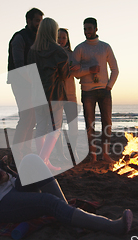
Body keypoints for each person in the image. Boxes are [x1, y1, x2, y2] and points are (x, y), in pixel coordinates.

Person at [0, 115, 133, 234]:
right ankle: (110, 226)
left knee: (31, 160)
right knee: (47, 201)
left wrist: (5, 174)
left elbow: (3, 175)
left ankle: (71, 217)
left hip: (10, 188)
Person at [74, 17, 119, 163]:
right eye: (85, 29)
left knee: (107, 122)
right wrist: (89, 70)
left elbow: (115, 69)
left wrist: (109, 86)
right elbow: (75, 73)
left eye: (89, 28)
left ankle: (105, 154)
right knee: (90, 123)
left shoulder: (105, 47)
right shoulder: (80, 48)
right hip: (87, 91)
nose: (87, 31)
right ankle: (93, 155)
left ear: (96, 29)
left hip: (104, 91)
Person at [27, 17, 70, 171]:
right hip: (55, 95)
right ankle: (42, 161)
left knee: (40, 127)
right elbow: (65, 75)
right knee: (55, 129)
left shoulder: (33, 51)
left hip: (37, 93)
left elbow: (30, 73)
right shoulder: (59, 51)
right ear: (53, 31)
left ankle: (44, 161)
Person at [7, 8, 44, 163]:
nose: (39, 24)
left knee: (33, 118)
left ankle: (26, 151)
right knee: (26, 117)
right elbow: (19, 65)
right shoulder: (19, 38)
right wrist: (33, 82)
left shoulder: (39, 38)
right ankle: (17, 153)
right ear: (28, 21)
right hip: (21, 82)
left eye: (41, 21)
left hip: (35, 83)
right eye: (37, 21)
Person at [55, 28, 80, 161]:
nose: (61, 40)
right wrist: (67, 70)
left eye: (64, 38)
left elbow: (77, 74)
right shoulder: (52, 53)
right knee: (57, 126)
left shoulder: (72, 54)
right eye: (59, 37)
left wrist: (77, 69)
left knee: (73, 125)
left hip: (71, 94)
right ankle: (60, 154)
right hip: (57, 94)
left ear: (67, 39)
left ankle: (73, 151)